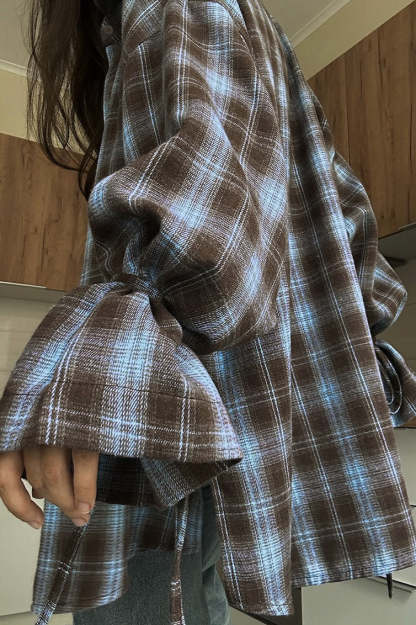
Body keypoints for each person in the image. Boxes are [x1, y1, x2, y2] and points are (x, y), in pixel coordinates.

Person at [1, 1, 416, 624]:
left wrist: (84, 380)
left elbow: (204, 231)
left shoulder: (176, 4)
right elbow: (358, 248)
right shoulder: (265, 46)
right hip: (232, 420)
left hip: (167, 416)